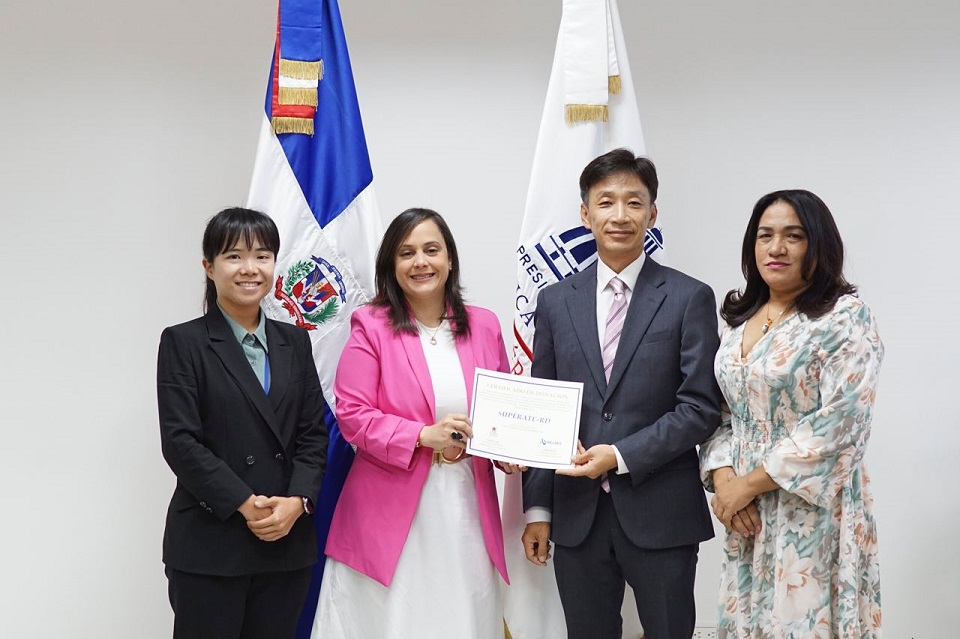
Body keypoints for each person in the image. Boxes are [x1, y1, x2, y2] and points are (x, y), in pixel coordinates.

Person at [521, 149, 722, 639]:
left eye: (634, 202)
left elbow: (700, 407)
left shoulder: (689, 297)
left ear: (652, 213)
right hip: (575, 516)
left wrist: (620, 454)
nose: (619, 215)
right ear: (585, 214)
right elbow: (544, 406)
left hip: (662, 512)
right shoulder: (554, 302)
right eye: (606, 202)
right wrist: (538, 509)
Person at [313, 208, 519, 639]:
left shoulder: (484, 325)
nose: (420, 262)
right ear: (391, 264)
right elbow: (352, 414)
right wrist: (423, 436)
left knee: (462, 617)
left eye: (431, 250)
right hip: (388, 511)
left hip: (464, 506)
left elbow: (500, 412)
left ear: (449, 260)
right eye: (407, 253)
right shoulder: (371, 324)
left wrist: (512, 454)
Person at [700, 190, 884, 638]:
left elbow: (841, 424)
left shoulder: (844, 317)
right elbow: (722, 413)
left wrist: (749, 483)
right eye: (765, 236)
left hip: (812, 513)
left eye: (793, 236)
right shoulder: (740, 321)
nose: (776, 248)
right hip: (745, 513)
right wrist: (725, 481)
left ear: (818, 245)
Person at [157, 207, 328, 639]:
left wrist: (297, 501)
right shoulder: (184, 341)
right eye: (234, 256)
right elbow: (181, 442)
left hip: (285, 542)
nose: (250, 269)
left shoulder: (295, 341)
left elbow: (312, 433)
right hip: (212, 543)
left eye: (262, 256)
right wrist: (245, 502)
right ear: (208, 267)